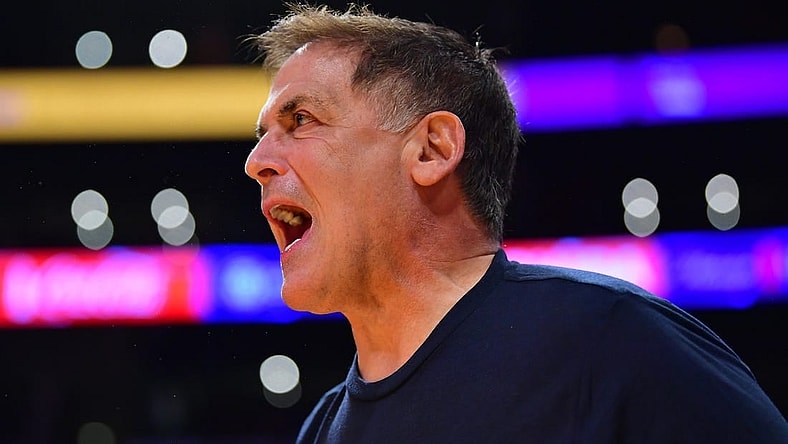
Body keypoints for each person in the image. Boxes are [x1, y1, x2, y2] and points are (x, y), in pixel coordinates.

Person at [244, 3, 787, 442]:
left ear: (433, 149)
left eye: (301, 120)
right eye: (263, 132)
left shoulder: (612, 342)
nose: (256, 160)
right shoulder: (321, 428)